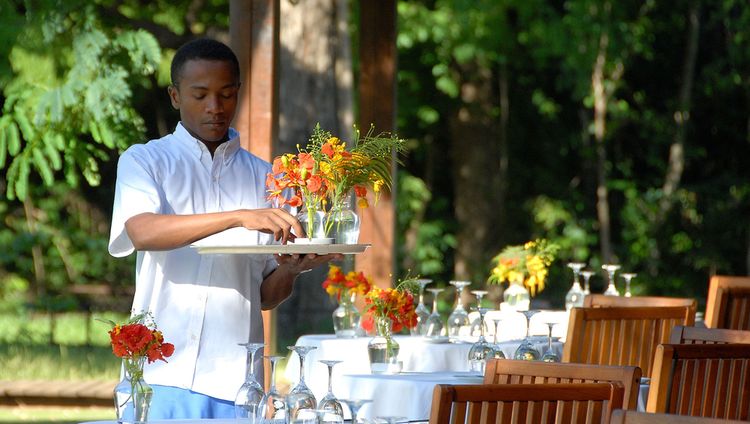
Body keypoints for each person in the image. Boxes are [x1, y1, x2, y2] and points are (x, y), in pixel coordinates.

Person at [108, 38, 339, 419]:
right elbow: (143, 232)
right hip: (160, 371)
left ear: (238, 94)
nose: (215, 107)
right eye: (200, 95)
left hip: (239, 379)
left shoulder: (269, 177)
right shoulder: (145, 160)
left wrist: (292, 268)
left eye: (226, 94)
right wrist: (237, 217)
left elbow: (264, 295)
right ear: (175, 96)